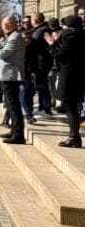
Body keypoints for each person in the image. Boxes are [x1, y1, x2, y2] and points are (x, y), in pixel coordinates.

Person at [45, 15, 85, 147]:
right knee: (73, 106)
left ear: (70, 26)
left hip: (69, 76)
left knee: (70, 106)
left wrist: (52, 44)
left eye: (65, 25)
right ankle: (74, 136)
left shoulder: (70, 37)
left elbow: (59, 56)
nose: (63, 28)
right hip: (79, 75)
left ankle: (74, 137)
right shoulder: (81, 35)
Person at [0, 16, 26, 145]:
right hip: (6, 75)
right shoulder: (12, 36)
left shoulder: (15, 37)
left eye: (3, 24)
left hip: (10, 76)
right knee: (10, 104)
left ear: (7, 25)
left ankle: (19, 134)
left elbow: (2, 54)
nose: (1, 27)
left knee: (13, 104)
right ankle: (13, 130)